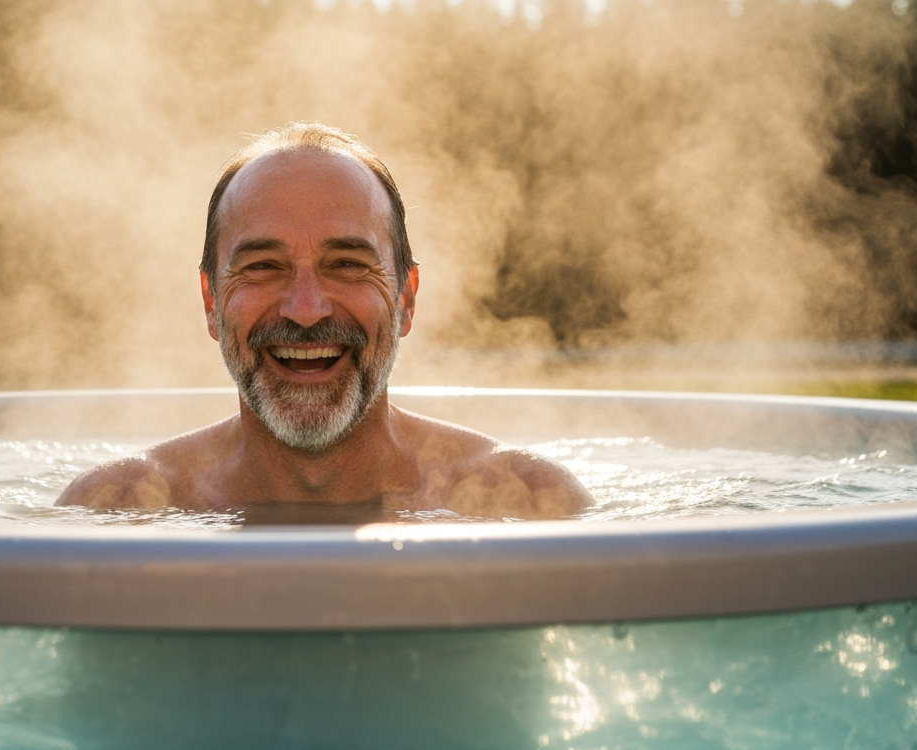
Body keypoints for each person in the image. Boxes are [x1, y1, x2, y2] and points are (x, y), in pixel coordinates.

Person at [57, 123, 592, 522]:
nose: (306, 308)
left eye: (347, 265)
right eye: (263, 267)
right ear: (211, 303)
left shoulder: (524, 502)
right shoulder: (119, 513)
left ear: (405, 299)